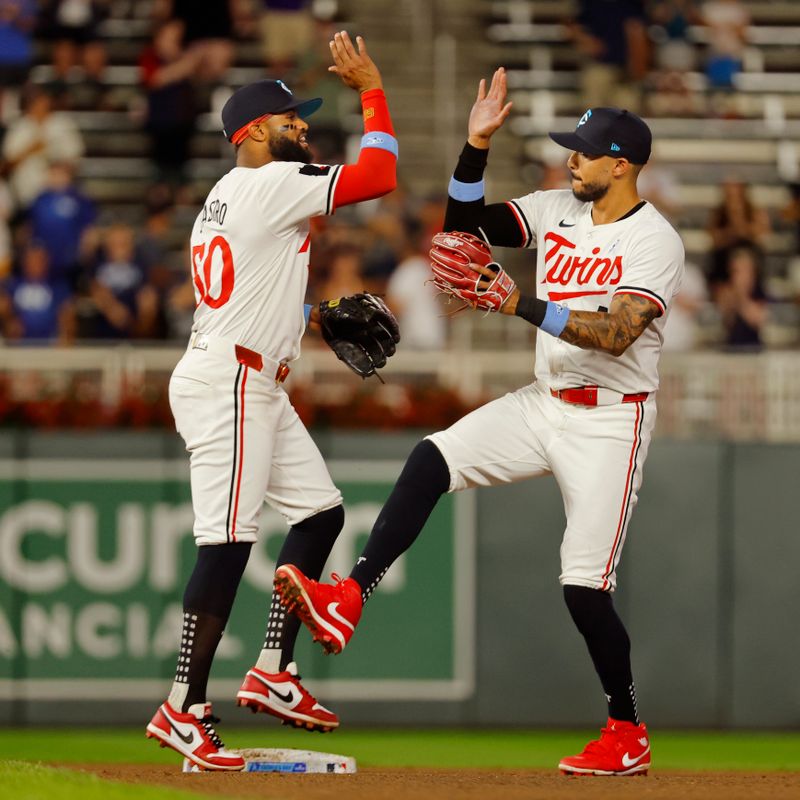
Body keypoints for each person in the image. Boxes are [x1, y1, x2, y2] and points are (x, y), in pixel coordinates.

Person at [274, 69, 685, 778]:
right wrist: (474, 146)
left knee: (583, 590)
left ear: (623, 164)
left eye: (584, 151)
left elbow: (618, 332)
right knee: (432, 457)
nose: (570, 159)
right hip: (544, 399)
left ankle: (626, 729)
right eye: (571, 148)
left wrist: (518, 303)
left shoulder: (656, 241)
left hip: (611, 422)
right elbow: (462, 230)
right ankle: (350, 596)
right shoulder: (558, 207)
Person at [145, 31, 399, 771]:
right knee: (225, 545)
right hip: (230, 382)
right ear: (253, 131)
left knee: (321, 513)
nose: (304, 128)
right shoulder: (268, 183)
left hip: (250, 373)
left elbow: (250, 287)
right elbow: (379, 174)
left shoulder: (226, 196)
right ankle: (183, 705)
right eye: (293, 119)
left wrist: (309, 316)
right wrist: (372, 86)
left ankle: (272, 669)